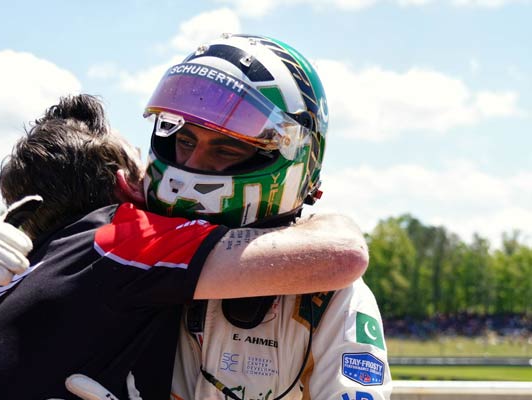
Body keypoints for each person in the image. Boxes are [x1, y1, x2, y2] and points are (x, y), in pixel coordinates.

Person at [0, 94, 368, 399]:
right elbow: (343, 252)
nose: (180, 170)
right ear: (124, 186)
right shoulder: (123, 237)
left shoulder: (29, 257)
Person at [140, 33, 392, 400]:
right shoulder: (131, 249)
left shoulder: (332, 293)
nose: (192, 165)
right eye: (185, 141)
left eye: (224, 148)